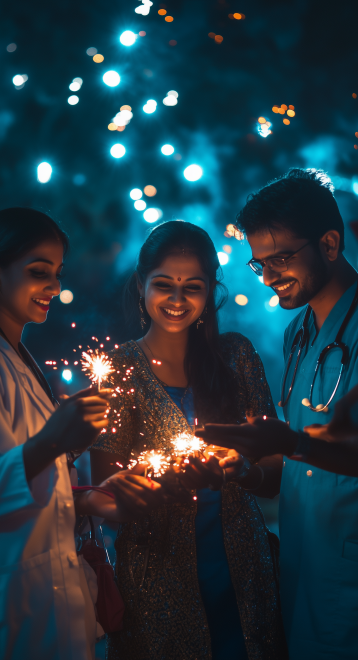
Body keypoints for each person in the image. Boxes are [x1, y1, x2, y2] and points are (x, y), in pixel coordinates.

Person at [0, 207, 162, 660]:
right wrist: (53, 441)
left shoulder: (18, 356)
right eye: (39, 272)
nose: (54, 287)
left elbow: (28, 476)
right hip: (8, 603)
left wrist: (88, 496)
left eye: (57, 273)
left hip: (52, 591)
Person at [90, 221, 287, 660]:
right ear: (141, 284)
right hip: (156, 583)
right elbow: (108, 495)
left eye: (192, 287)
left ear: (211, 290)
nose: (177, 300)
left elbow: (275, 473)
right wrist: (165, 482)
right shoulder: (120, 369)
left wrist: (245, 471)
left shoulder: (236, 356)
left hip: (243, 571)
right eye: (164, 285)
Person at [197, 168, 358, 660]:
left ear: (329, 244)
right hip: (304, 577)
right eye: (259, 263)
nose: (268, 277)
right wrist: (245, 469)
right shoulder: (299, 335)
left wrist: (289, 444)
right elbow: (294, 472)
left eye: (282, 258)